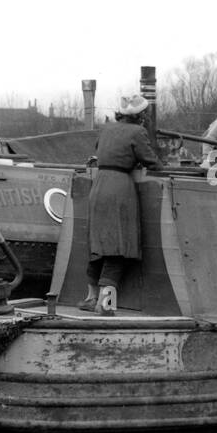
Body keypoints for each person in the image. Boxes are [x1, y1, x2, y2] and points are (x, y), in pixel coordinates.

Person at [80, 93, 160, 314]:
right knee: (118, 249)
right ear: (141, 115)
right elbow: (150, 161)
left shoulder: (106, 129)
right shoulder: (138, 132)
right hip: (119, 188)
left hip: (99, 186)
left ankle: (90, 298)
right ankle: (105, 305)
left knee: (98, 246)